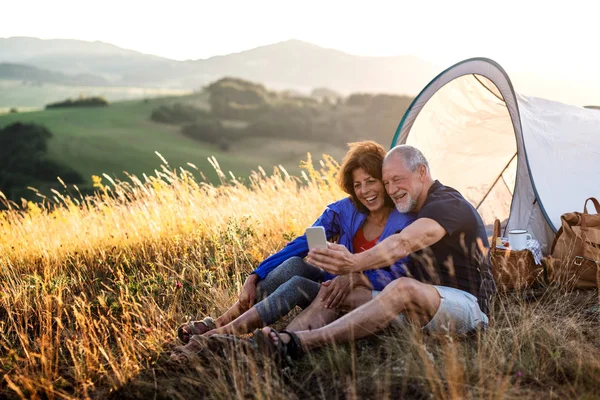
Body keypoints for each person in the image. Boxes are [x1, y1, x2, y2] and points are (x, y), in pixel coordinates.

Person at [172, 141, 416, 360]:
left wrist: (358, 277)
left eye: (371, 181)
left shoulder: (403, 220)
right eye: (357, 185)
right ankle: (220, 323)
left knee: (296, 283)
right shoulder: (346, 209)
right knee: (295, 265)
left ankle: (216, 337)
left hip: (364, 299)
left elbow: (401, 275)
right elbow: (301, 243)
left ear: (383, 181)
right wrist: (255, 274)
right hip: (329, 288)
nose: (365, 191)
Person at [254, 145, 496, 359]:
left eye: (397, 179)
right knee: (333, 293)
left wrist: (353, 263)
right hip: (420, 309)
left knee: (402, 287)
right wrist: (351, 278)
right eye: (387, 182)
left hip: (468, 308)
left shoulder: (447, 205)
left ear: (422, 172)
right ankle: (275, 345)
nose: (391, 189)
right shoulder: (414, 209)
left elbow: (403, 243)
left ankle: (304, 342)